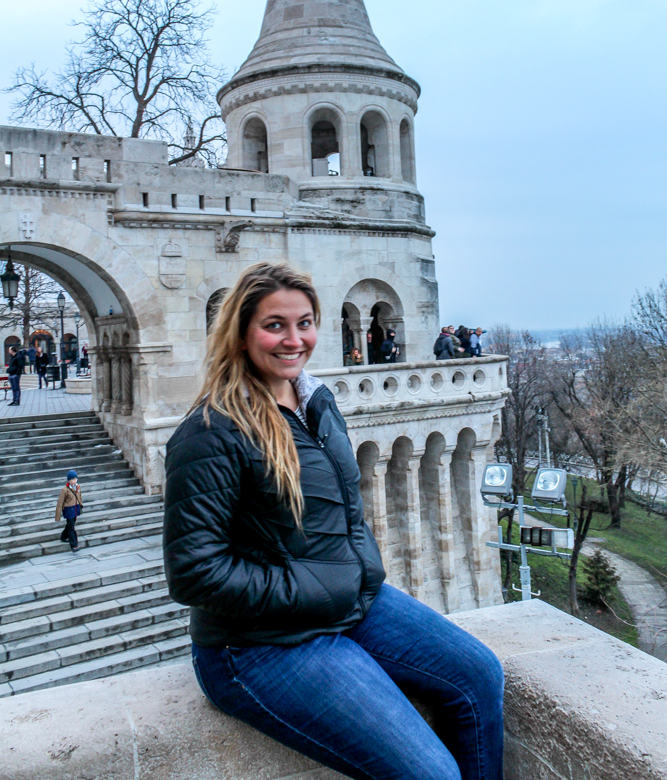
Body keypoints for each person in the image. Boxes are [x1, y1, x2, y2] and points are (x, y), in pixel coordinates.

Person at [163, 262, 504, 780]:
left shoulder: (316, 402)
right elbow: (194, 571)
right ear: (240, 330)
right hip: (258, 645)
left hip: (352, 601)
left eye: (305, 323)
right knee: (430, 774)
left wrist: (355, 574)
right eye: (274, 325)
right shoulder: (211, 431)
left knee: (480, 676)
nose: (293, 339)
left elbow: (346, 509)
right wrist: (310, 590)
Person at [55, 469, 82, 552]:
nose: (75, 480)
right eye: (73, 479)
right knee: (71, 527)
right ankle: (74, 545)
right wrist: (58, 515)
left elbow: (79, 497)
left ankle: (63, 536)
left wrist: (80, 506)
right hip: (68, 510)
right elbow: (60, 502)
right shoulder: (65, 490)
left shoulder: (78, 487)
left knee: (70, 524)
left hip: (75, 509)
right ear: (69, 480)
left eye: (76, 478)